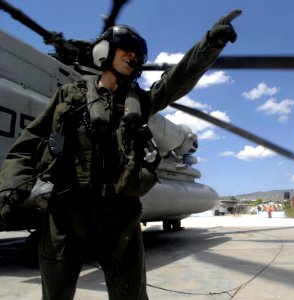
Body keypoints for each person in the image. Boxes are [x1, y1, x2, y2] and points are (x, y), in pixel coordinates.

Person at [0, 10, 241, 300]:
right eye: (127, 51)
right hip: (66, 212)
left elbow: (177, 80)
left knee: (131, 295)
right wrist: (12, 192)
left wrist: (209, 45)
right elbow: (27, 144)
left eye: (138, 55)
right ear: (105, 52)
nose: (134, 58)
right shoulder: (68, 96)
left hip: (120, 216)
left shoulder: (138, 104)